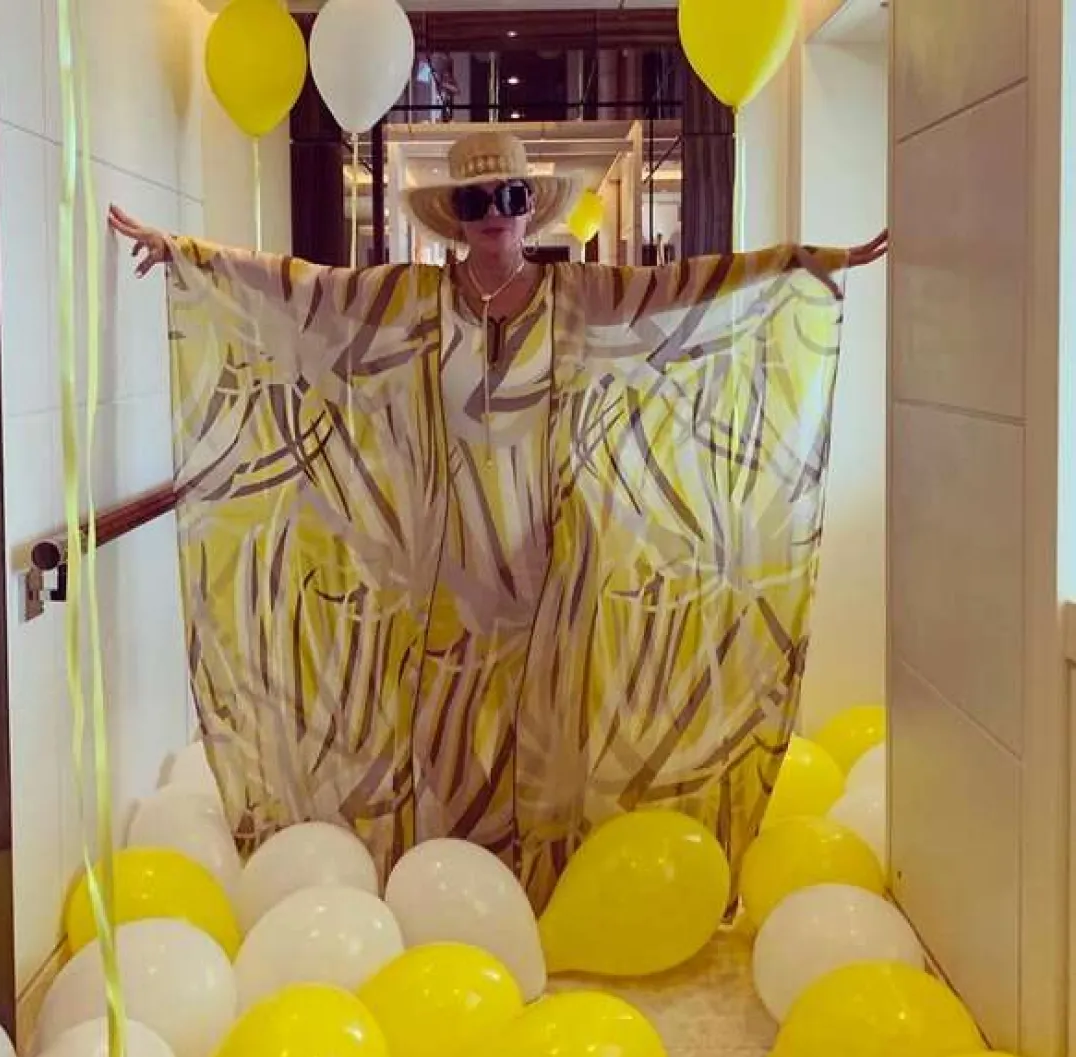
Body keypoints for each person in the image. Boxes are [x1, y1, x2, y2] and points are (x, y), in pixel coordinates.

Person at [109, 130, 886, 907]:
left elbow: (682, 289)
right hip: (445, 568)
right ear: (454, 214)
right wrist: (190, 257)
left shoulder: (575, 297)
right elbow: (308, 293)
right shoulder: (414, 300)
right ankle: (452, 887)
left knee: (548, 729)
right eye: (474, 200)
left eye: (509, 198)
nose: (493, 214)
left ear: (529, 210)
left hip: (552, 562)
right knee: (446, 728)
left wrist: (803, 263)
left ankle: (542, 892)